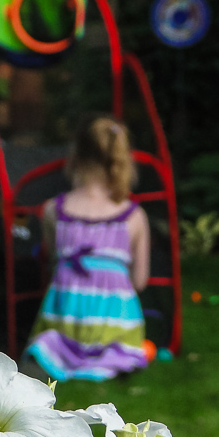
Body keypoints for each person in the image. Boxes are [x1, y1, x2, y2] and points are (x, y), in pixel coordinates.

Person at [23, 115, 150, 381]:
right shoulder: (133, 216)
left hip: (66, 322)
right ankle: (112, 360)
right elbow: (139, 281)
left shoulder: (53, 210)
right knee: (122, 347)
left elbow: (50, 264)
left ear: (75, 156)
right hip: (116, 327)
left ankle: (57, 358)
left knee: (47, 344)